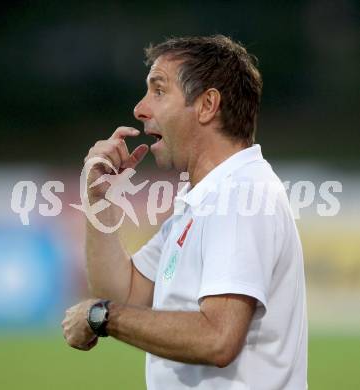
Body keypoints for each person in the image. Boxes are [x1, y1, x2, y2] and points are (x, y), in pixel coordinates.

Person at [62, 35, 308, 389]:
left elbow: (217, 338)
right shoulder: (206, 200)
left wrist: (102, 318)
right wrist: (97, 199)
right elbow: (123, 295)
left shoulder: (240, 196)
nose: (140, 108)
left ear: (208, 105)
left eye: (158, 91)